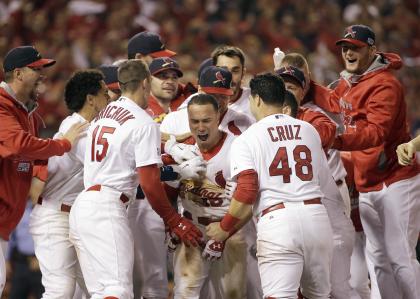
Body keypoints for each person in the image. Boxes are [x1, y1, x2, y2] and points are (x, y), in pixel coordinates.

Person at [68, 59, 202, 299]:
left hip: (83, 207)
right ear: (145, 82)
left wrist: (175, 169)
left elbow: (128, 164)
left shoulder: (103, 113)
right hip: (107, 207)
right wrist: (173, 219)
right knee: (118, 290)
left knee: (101, 291)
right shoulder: (143, 121)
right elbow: (149, 182)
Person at [207, 73, 334, 298]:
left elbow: (247, 190)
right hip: (317, 216)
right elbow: (322, 180)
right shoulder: (308, 130)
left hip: (278, 221)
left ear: (256, 99)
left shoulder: (248, 138)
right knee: (319, 295)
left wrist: (224, 228)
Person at [329, 24, 420, 299]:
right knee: (378, 259)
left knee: (400, 257)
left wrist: (337, 140)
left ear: (371, 49)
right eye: (345, 47)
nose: (348, 52)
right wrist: (303, 82)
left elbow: (376, 133)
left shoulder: (385, 84)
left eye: (355, 47)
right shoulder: (347, 82)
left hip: (396, 178)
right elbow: (329, 100)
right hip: (369, 182)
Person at [0, 45, 86, 296]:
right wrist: (64, 144)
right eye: (36, 69)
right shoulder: (2, 106)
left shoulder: (29, 115)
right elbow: (19, 145)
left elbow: (31, 157)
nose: (42, 75)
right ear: (18, 73)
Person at [29, 70, 111, 299]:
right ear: (90, 99)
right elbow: (107, 166)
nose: (110, 98)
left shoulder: (94, 127)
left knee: (96, 287)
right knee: (60, 290)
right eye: (105, 93)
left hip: (76, 217)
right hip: (54, 217)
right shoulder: (75, 127)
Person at [277, 65, 356, 299]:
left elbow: (325, 132)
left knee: (339, 289)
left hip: (330, 215)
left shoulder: (314, 117)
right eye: (281, 86)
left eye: (291, 87)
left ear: (303, 92)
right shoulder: (261, 123)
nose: (285, 92)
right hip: (294, 218)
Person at [167, 93, 247, 298]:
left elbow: (250, 200)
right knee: (184, 293)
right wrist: (173, 224)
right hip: (193, 228)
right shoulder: (181, 147)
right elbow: (169, 188)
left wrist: (225, 231)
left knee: (233, 294)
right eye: (194, 121)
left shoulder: (238, 147)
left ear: (219, 116)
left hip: (231, 231)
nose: (200, 127)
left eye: (206, 121)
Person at [160, 66, 253, 138]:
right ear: (199, 90)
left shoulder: (244, 122)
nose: (217, 101)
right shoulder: (174, 120)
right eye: (212, 95)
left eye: (223, 96)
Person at [7, 200, 44, 299]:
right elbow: (10, 236)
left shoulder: (49, 211)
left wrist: (42, 259)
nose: (37, 192)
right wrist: (6, 259)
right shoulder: (20, 208)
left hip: (42, 265)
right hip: (21, 262)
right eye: (35, 187)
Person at [211, 45, 254, 121]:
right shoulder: (199, 103)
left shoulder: (256, 101)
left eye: (235, 71)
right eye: (223, 71)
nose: (229, 77)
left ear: (243, 73)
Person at [146, 57, 192, 123]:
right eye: (163, 76)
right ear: (149, 80)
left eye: (174, 77)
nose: (170, 82)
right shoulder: (139, 107)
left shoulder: (188, 103)